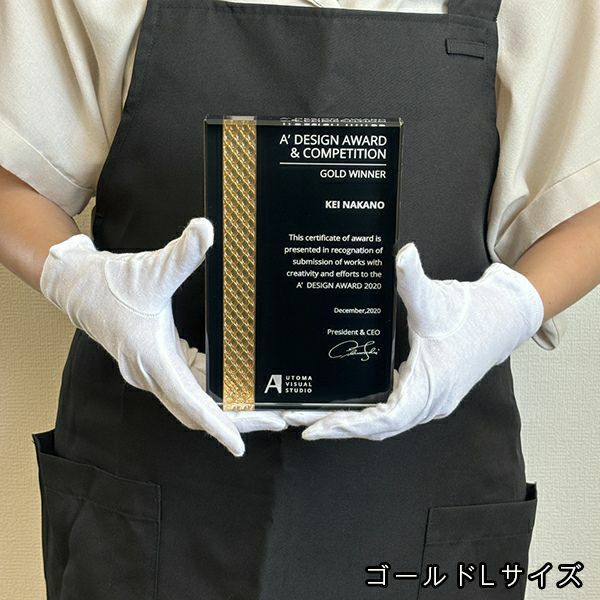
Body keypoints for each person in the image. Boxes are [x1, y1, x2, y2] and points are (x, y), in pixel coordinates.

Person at [0, 0, 598, 598]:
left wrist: (504, 313)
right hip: (155, 483)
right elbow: (12, 165)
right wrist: (80, 283)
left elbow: (585, 196)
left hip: (427, 493)